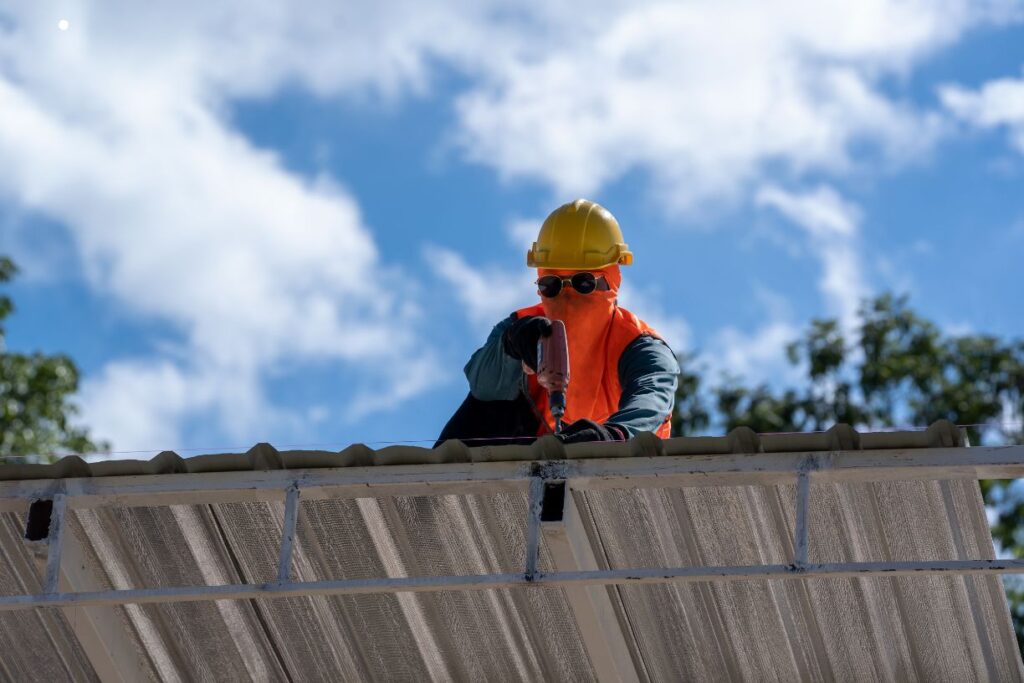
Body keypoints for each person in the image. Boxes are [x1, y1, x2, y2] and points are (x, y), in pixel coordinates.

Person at [436, 199, 679, 446]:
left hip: (628, 475)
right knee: (481, 409)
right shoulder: (521, 327)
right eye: (551, 284)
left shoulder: (640, 347)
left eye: (583, 283)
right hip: (539, 461)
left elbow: (652, 398)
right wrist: (509, 346)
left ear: (611, 282)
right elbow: (483, 387)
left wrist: (612, 435)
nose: (566, 297)